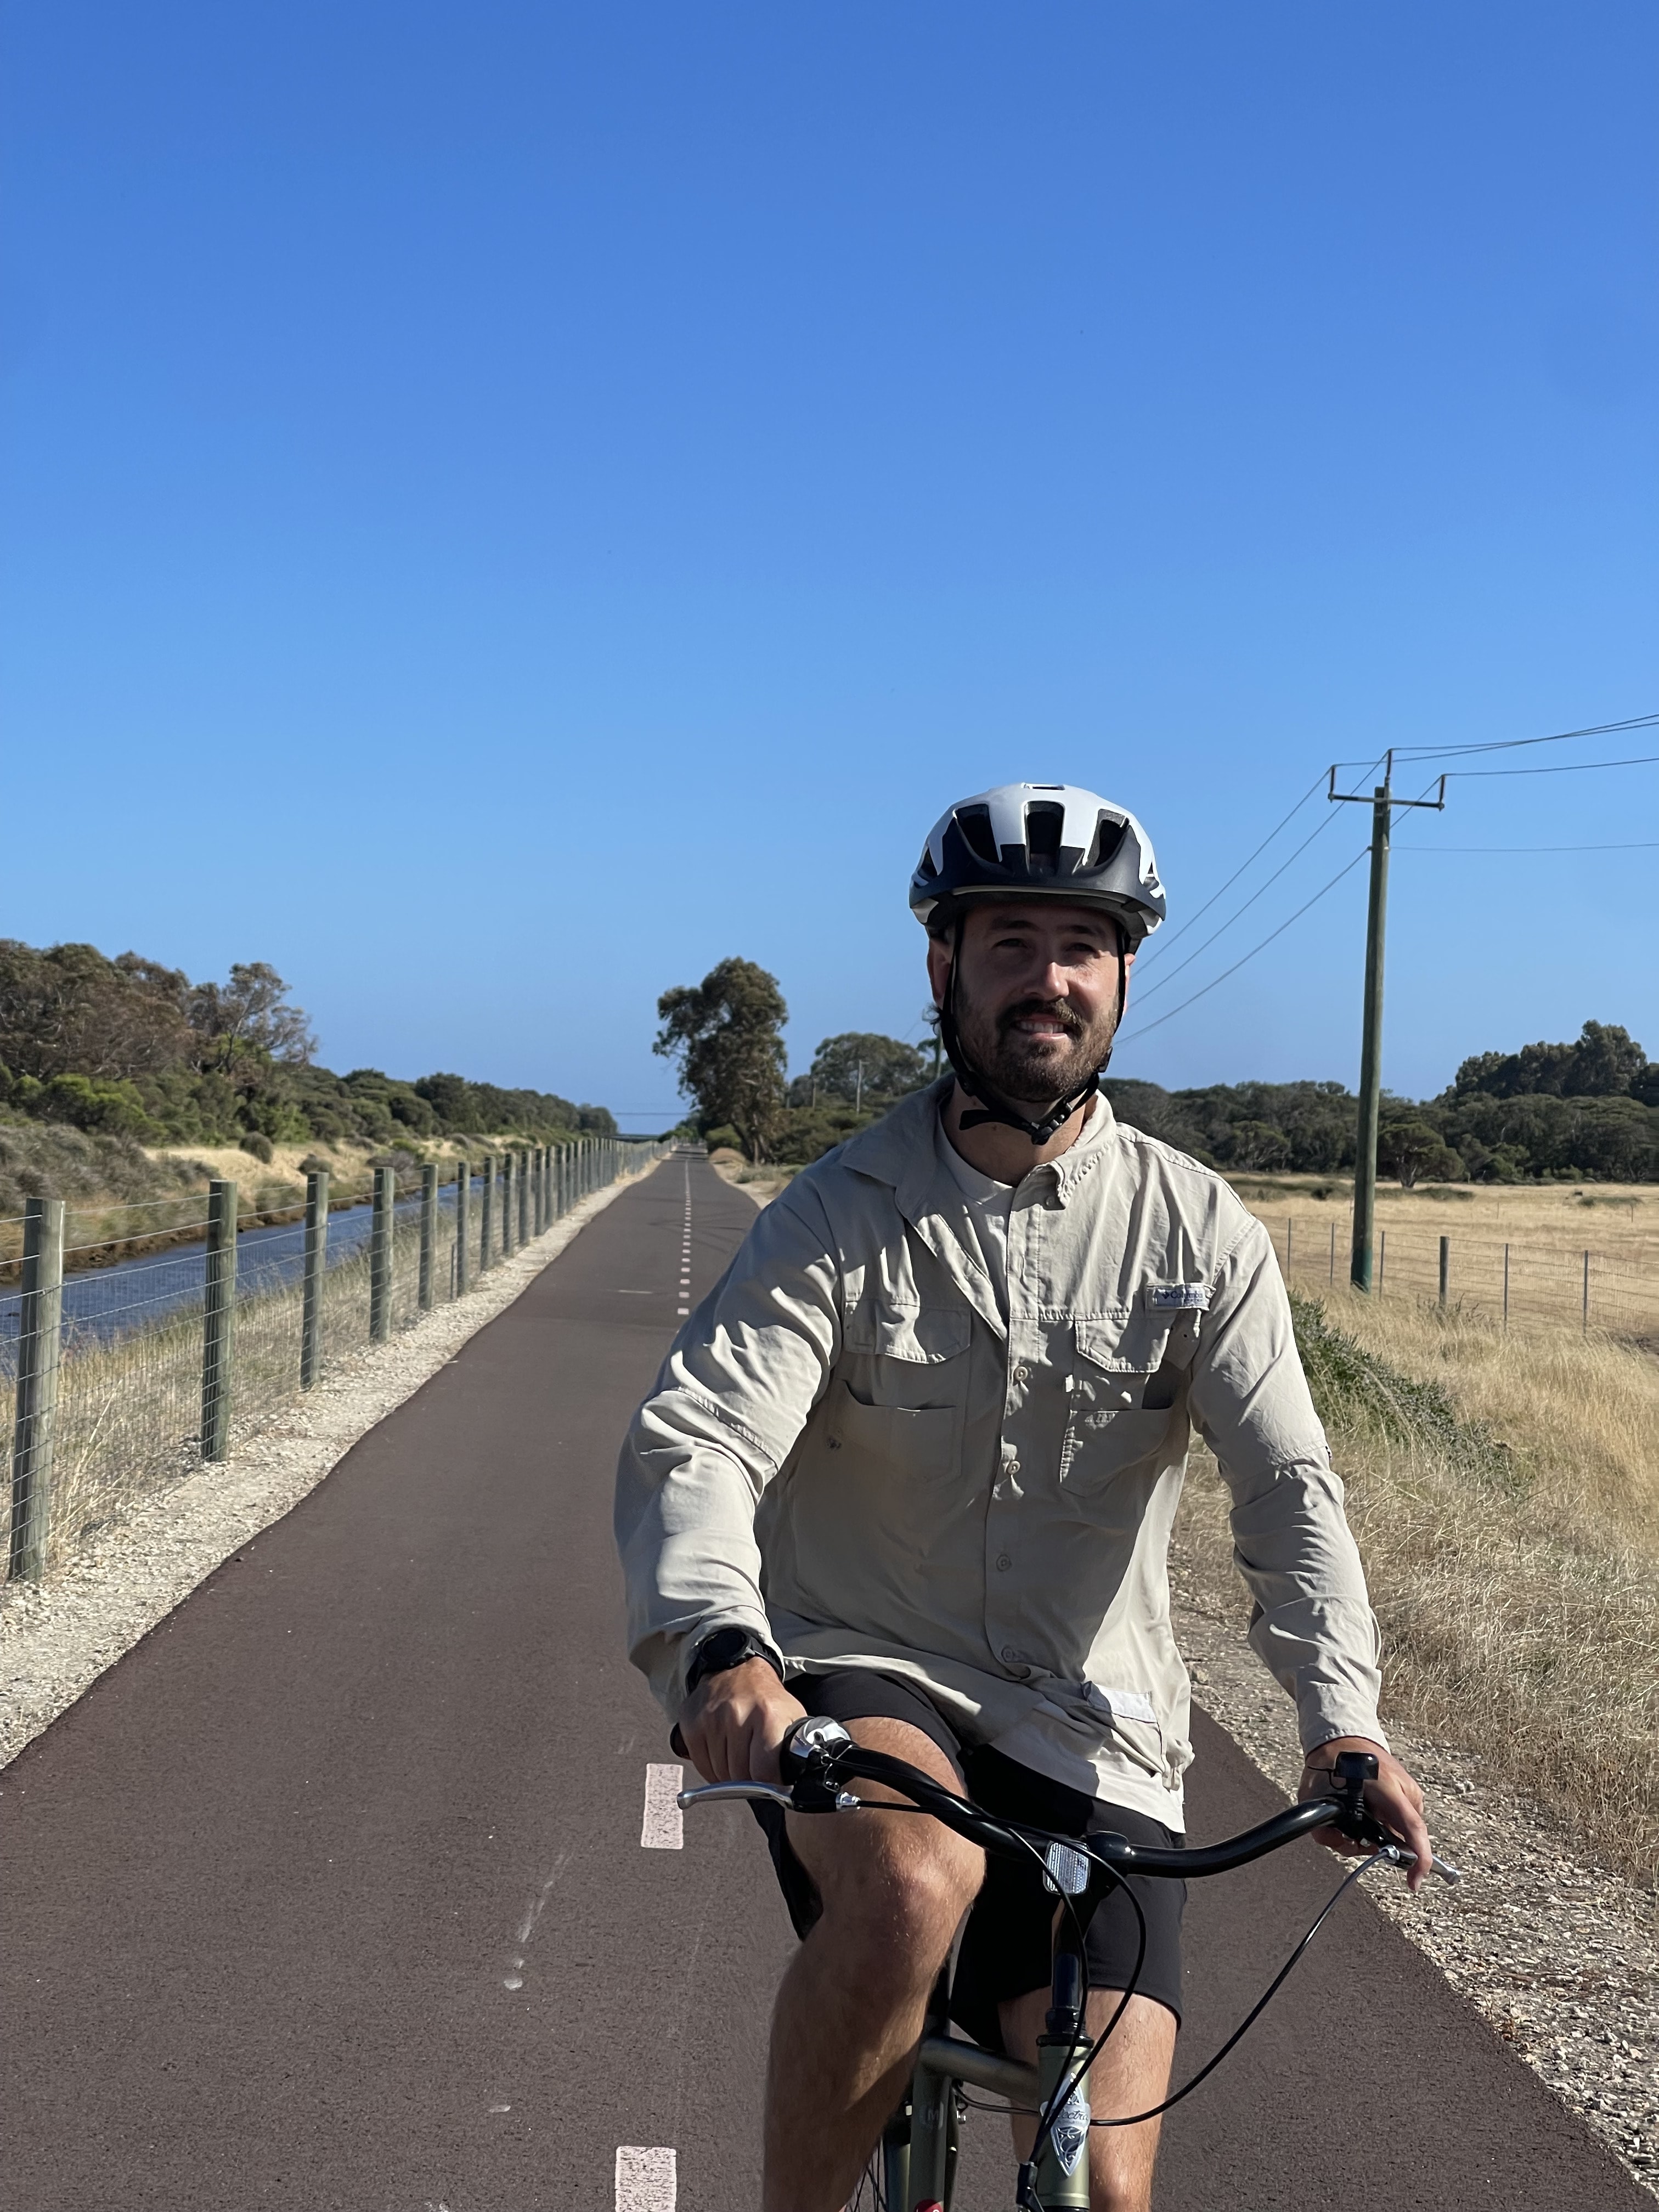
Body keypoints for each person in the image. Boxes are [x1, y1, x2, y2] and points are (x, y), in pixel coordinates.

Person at [616, 781, 1432, 2212]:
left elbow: (1287, 1489)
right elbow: (701, 1439)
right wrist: (718, 1649)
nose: (1046, 978)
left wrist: (1343, 1723)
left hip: (1099, 1733)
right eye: (1009, 944)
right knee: (912, 1887)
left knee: (1107, 2188)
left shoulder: (1199, 1234)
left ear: (1120, 977)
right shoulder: (839, 1215)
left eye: (1082, 945)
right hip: (874, 1681)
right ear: (945, 968)